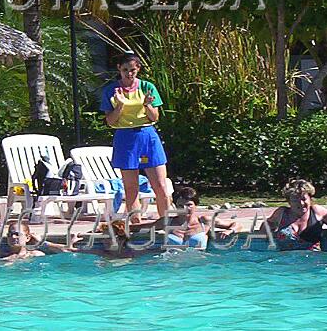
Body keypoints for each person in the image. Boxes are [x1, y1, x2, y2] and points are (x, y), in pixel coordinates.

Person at [100, 52, 172, 223]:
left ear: (138, 69)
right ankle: (136, 225)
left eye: (132, 70)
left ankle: (167, 223)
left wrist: (146, 104)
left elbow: (155, 117)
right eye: (125, 70)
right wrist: (120, 106)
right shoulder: (111, 90)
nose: (129, 74)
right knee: (131, 188)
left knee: (160, 186)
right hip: (125, 137)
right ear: (119, 69)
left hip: (147, 135)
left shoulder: (147, 87)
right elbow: (110, 121)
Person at [261, 179, 327, 251]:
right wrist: (268, 235)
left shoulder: (316, 211)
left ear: (310, 198)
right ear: (289, 202)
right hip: (286, 262)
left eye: (303, 199)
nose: (301, 203)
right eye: (295, 200)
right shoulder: (282, 213)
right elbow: (267, 224)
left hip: (312, 260)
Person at [164, 186, 238, 249]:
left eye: (189, 205)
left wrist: (229, 231)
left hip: (198, 263)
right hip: (173, 262)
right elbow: (151, 226)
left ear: (196, 205)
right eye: (180, 205)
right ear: (175, 206)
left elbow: (236, 225)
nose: (184, 209)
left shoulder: (205, 221)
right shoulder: (168, 222)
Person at [0, 221, 80, 262]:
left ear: (27, 238)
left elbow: (66, 251)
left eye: (17, 234)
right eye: (10, 234)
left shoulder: (36, 254)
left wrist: (41, 242)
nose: (13, 237)